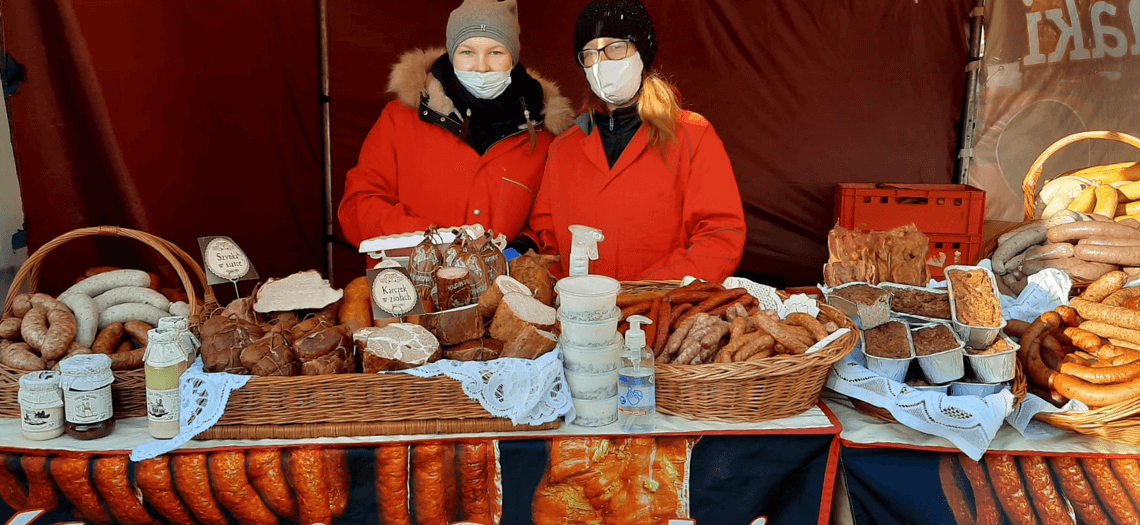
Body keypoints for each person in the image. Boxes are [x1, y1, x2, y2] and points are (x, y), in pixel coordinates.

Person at [525, 0, 747, 281]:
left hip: (663, 315)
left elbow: (720, 235)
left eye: (615, 47)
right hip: (581, 316)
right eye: (590, 53)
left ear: (642, 51)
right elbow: (548, 238)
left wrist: (650, 291)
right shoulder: (564, 148)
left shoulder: (692, 135)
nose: (601, 63)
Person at [338, 0, 574, 249]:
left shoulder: (541, 135)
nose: (481, 67)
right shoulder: (401, 119)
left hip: (500, 286)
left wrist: (520, 250)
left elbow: (548, 225)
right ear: (452, 56)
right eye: (467, 52)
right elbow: (358, 206)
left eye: (496, 52)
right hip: (412, 282)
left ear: (513, 59)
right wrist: (432, 243)